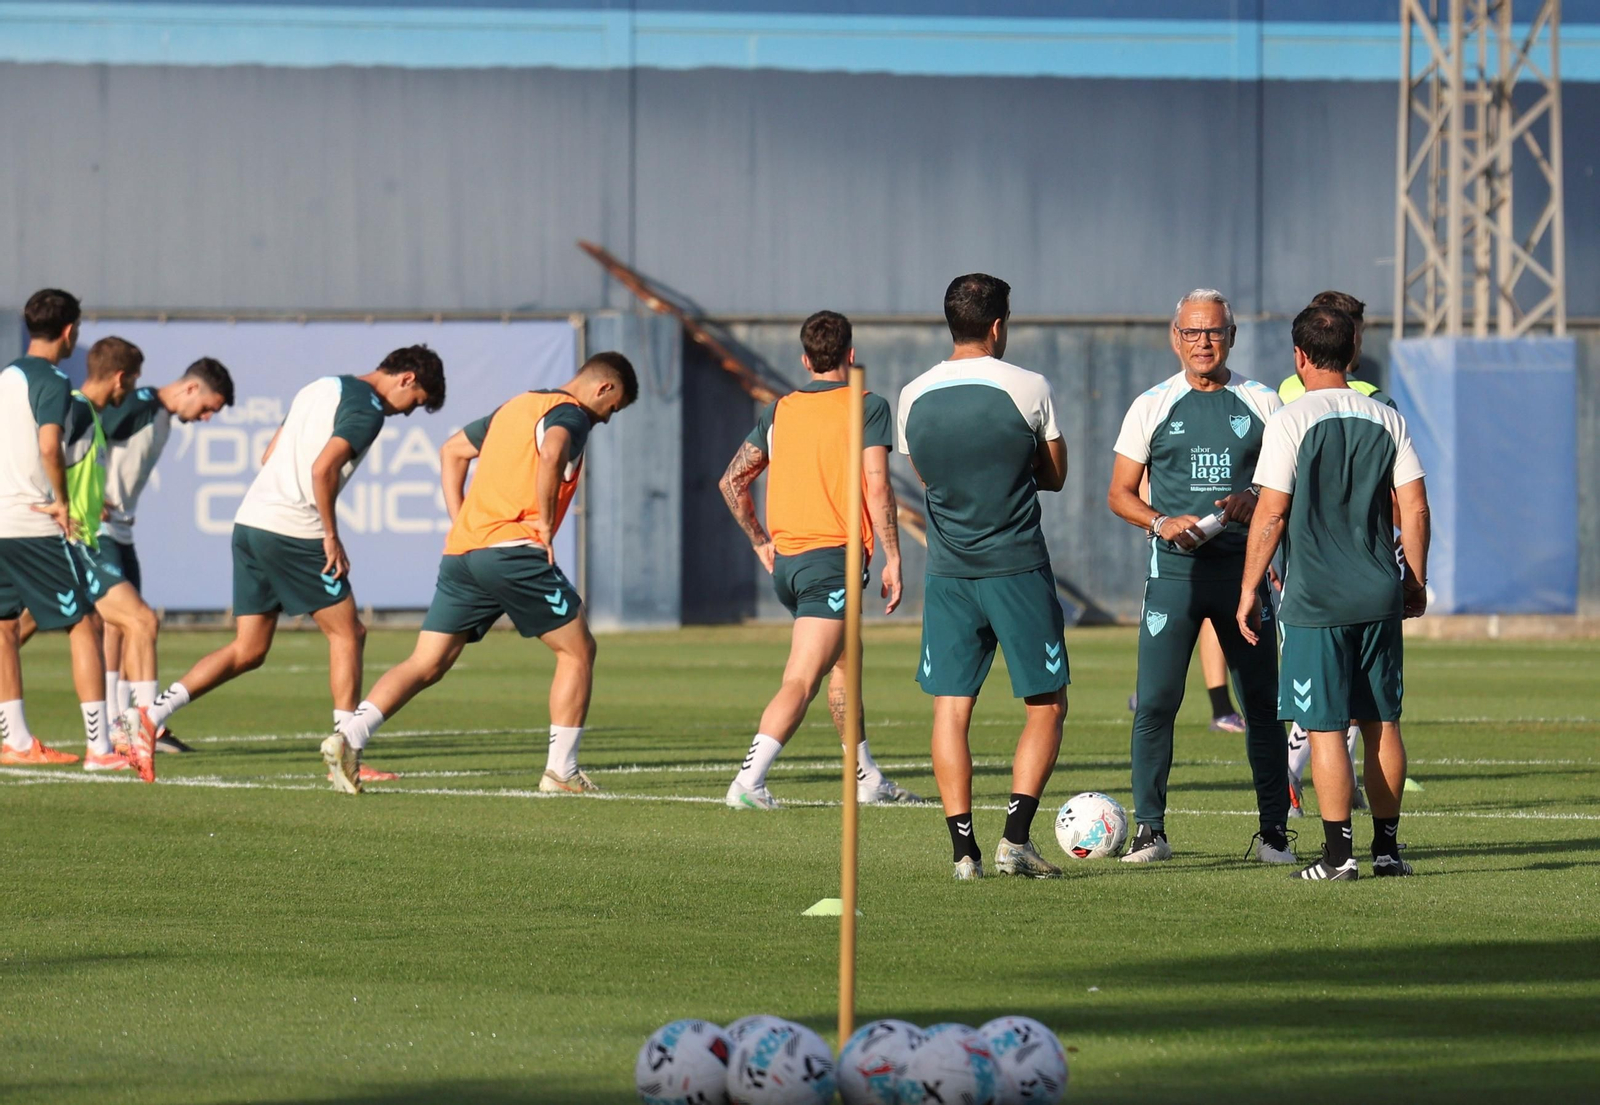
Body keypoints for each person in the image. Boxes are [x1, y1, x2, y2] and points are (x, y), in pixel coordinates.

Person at [320, 353, 637, 794]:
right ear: (604, 388)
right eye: (613, 408)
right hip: (513, 551)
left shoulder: (516, 406)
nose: (607, 419)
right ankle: (561, 772)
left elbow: (452, 451)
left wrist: (461, 522)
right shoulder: (573, 413)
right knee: (577, 651)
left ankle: (348, 738)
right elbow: (551, 453)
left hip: (464, 553)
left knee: (427, 662)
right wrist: (544, 523)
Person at [128, 346, 447, 779]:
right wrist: (330, 536)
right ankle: (346, 749)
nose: (409, 413)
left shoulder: (320, 386)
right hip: (294, 529)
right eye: (418, 403)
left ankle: (149, 716)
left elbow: (269, 456)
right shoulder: (368, 409)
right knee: (348, 633)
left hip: (251, 523)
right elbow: (322, 469)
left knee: (249, 649)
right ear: (407, 378)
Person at [1238, 305, 1431, 880]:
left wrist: (1249, 587)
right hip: (1377, 594)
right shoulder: (1387, 418)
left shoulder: (1290, 419)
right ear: (1352, 353)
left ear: (1298, 357)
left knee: (1325, 727)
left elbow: (1271, 513)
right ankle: (1389, 851)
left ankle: (1338, 855)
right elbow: (1415, 507)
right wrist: (1414, 580)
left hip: (1315, 600)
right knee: (1382, 725)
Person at [1107, 289, 1294, 864]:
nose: (1203, 343)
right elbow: (1118, 494)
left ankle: (1273, 834)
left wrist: (1253, 497)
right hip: (1174, 578)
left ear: (1231, 336)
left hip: (1245, 577)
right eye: (1192, 333)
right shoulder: (1151, 404)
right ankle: (1149, 831)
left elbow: (1292, 478)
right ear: (1175, 338)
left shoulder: (1263, 401)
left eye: (1213, 332)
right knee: (1158, 702)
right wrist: (1161, 521)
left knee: (1262, 704)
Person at [898, 274, 1069, 880]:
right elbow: (1054, 475)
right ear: (998, 325)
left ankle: (962, 851)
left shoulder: (912, 394)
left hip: (948, 572)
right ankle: (1015, 840)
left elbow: (924, 475)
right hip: (1016, 566)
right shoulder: (1028, 386)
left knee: (951, 707)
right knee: (1046, 705)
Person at [717, 310, 919, 810]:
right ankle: (748, 781)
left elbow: (731, 482)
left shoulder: (779, 410)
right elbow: (876, 483)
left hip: (790, 563)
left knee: (846, 664)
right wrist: (894, 555)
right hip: (831, 561)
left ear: (805, 359)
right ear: (851, 355)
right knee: (802, 678)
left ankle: (865, 776)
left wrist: (759, 541)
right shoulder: (867, 406)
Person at [0, 289, 124, 771]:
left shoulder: (6, 376)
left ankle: (15, 740)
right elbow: (51, 447)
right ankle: (100, 749)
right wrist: (62, 501)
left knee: (5, 627)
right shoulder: (52, 380)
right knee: (85, 623)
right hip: (32, 519)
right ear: (70, 331)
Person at [1275, 291, 1388, 816]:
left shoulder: (1289, 401)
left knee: (1326, 711)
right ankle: (1379, 846)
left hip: (1312, 581)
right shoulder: (1378, 406)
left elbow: (1274, 500)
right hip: (1365, 577)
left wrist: (1258, 572)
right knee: (1362, 716)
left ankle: (1336, 843)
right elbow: (1411, 500)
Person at [96, 357, 235, 750]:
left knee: (120, 627)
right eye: (208, 408)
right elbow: (85, 438)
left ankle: (125, 725)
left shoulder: (161, 417)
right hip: (96, 528)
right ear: (191, 388)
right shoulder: (140, 405)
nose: (206, 417)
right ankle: (132, 726)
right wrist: (84, 496)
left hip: (120, 530)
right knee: (128, 621)